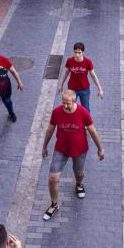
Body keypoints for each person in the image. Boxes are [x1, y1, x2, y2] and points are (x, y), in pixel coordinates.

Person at [41, 89, 104, 221]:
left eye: (67, 103)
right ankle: (54, 204)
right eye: (63, 102)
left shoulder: (83, 112)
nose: (65, 106)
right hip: (61, 149)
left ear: (74, 101)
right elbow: (50, 129)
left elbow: (92, 131)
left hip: (79, 149)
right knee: (53, 178)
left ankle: (79, 184)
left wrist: (100, 149)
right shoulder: (56, 112)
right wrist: (44, 146)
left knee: (79, 173)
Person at [60, 42, 104, 112]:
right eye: (75, 52)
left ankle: (86, 119)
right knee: (69, 107)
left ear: (83, 52)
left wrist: (100, 88)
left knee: (85, 109)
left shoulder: (88, 62)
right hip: (72, 89)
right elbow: (66, 73)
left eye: (79, 53)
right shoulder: (69, 61)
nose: (77, 55)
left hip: (84, 89)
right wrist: (61, 84)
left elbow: (93, 75)